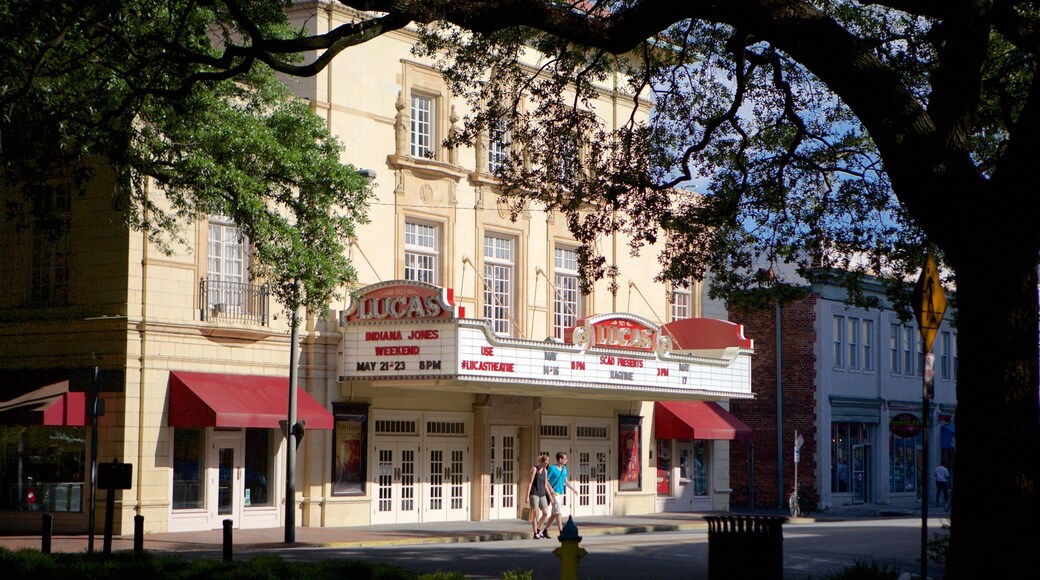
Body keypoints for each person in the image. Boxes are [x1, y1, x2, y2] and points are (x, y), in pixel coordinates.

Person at [544, 452, 579, 536]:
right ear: (560, 459)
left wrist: (573, 488)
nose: (566, 460)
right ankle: (561, 531)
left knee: (554, 513)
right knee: (558, 512)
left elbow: (565, 480)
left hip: (560, 493)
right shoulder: (552, 468)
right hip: (554, 493)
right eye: (565, 459)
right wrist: (550, 490)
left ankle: (545, 530)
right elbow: (546, 480)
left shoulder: (564, 469)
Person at [525, 454, 556, 539]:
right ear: (541, 462)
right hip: (534, 493)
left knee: (545, 513)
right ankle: (535, 533)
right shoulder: (534, 469)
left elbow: (545, 484)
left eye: (547, 463)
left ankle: (538, 529)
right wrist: (527, 496)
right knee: (535, 514)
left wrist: (549, 495)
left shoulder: (545, 471)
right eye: (545, 463)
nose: (546, 464)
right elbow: (530, 482)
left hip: (542, 494)